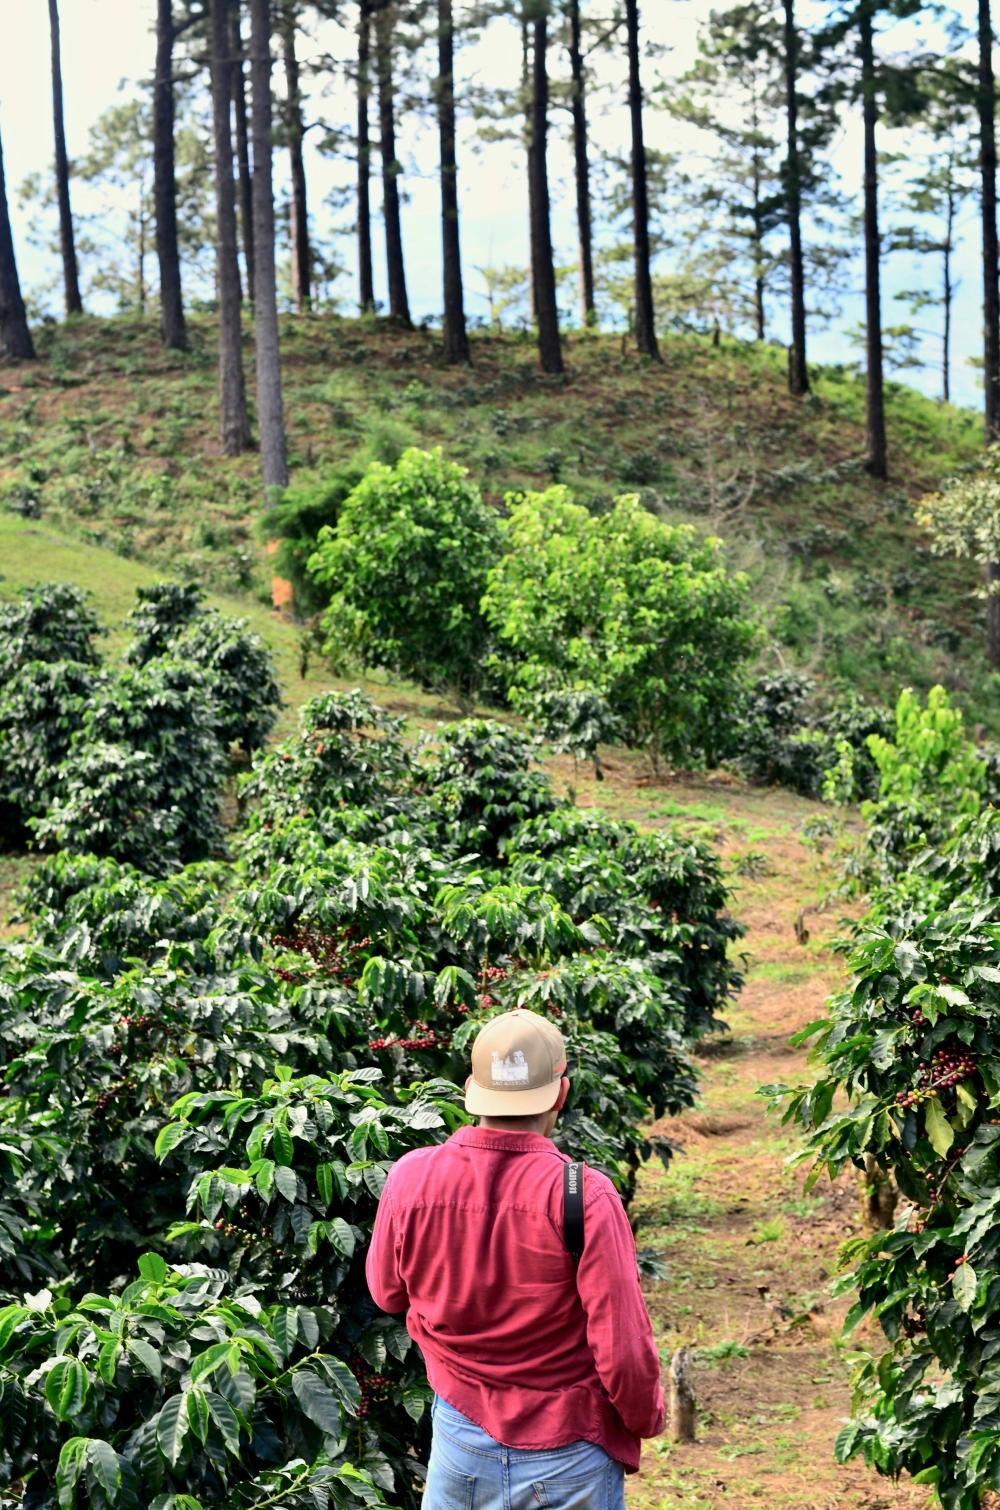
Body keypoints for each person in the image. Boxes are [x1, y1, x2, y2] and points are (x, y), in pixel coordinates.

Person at [365, 1007, 665, 1510]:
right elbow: (623, 1348)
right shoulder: (582, 1195)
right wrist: (644, 1418)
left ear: (470, 1089)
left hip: (460, 1438)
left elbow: (386, 1291)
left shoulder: (410, 1177)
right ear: (560, 1093)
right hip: (568, 1449)